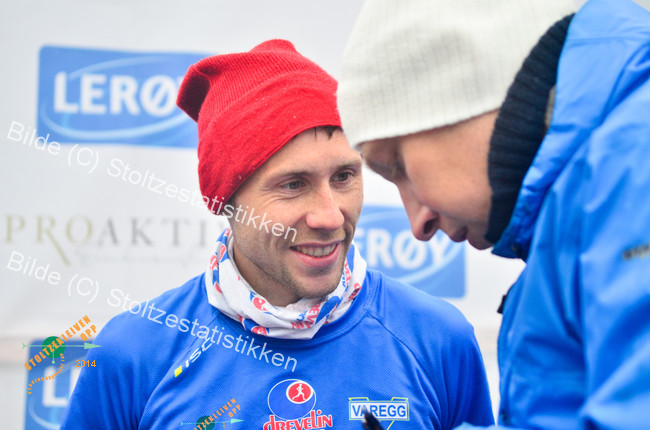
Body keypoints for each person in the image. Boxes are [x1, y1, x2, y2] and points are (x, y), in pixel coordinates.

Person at [60, 39, 493, 429]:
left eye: (344, 177)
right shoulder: (134, 353)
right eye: (293, 185)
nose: (330, 216)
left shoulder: (438, 339)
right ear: (226, 200)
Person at [337, 0, 650, 428]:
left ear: (467, 95)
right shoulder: (589, 196)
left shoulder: (634, 160)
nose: (418, 226)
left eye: (399, 166)